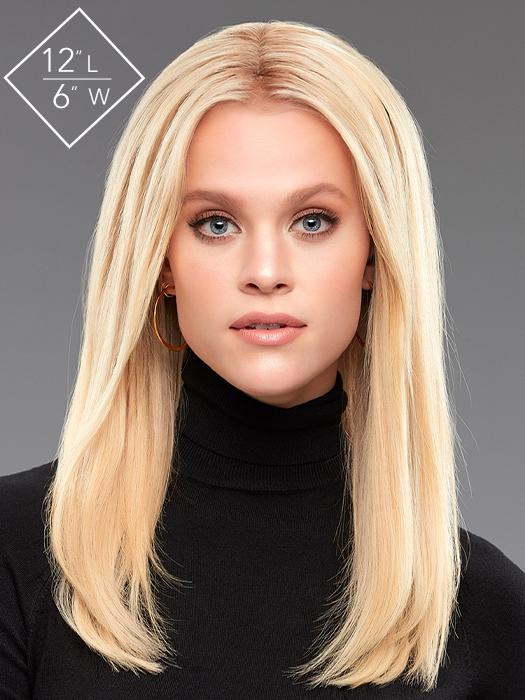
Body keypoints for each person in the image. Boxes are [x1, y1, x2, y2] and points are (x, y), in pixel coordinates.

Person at [1, 19, 524, 699]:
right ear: (161, 261)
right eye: (215, 224)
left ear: (375, 253)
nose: (266, 271)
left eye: (313, 221)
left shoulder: (486, 613)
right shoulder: (19, 555)